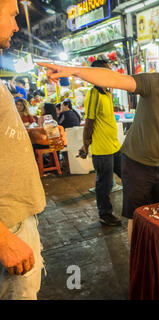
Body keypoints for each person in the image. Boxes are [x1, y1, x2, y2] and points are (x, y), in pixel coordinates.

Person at [39, 45, 159, 242]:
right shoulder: (153, 83)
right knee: (136, 216)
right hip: (136, 163)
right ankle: (138, 263)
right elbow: (115, 79)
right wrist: (73, 70)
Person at [0, 0, 46, 300]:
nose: (17, 25)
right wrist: (3, 239)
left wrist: (27, 133)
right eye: (12, 15)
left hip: (16, 220)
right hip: (7, 228)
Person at [79, 60, 123, 226]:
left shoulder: (108, 93)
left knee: (127, 174)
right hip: (102, 149)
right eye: (106, 72)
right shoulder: (94, 95)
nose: (110, 75)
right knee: (104, 184)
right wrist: (85, 145)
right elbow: (88, 122)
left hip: (115, 146)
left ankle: (135, 206)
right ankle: (105, 214)